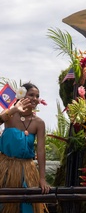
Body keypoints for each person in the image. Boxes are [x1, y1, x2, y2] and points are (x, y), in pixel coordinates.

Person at [0, 82, 50, 213]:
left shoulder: (39, 123)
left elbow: (40, 150)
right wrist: (15, 109)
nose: (35, 98)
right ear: (21, 95)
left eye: (37, 96)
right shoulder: (9, 115)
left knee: (27, 205)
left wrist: (42, 178)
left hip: (27, 169)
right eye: (31, 95)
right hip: (5, 168)